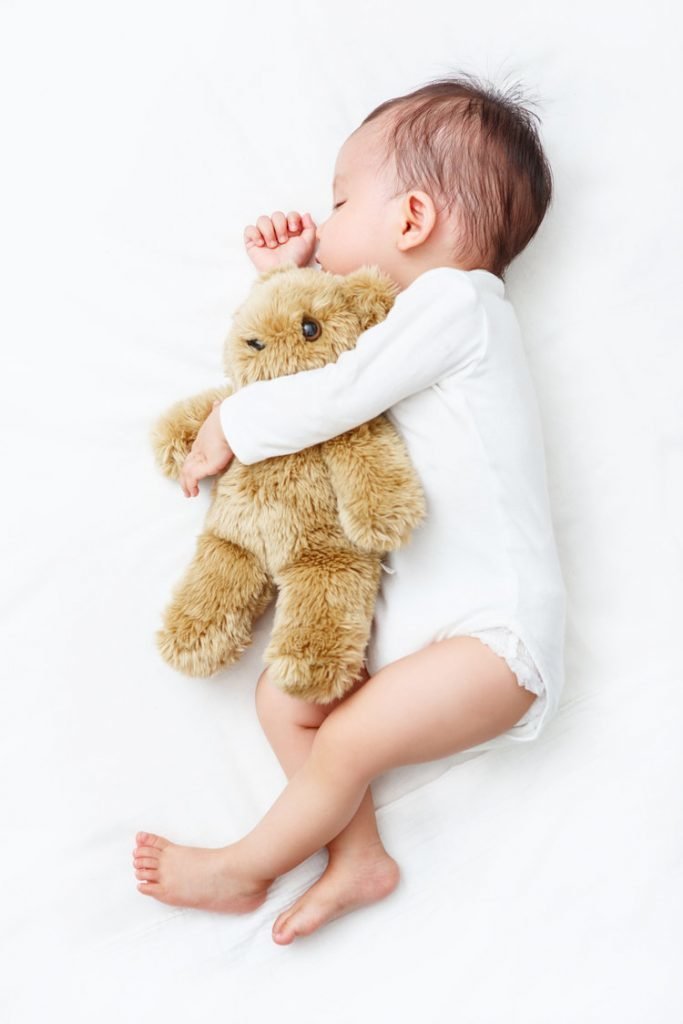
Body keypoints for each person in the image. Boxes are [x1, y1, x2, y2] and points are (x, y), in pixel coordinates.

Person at [132, 73, 567, 945]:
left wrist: (231, 421)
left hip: (497, 638)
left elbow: (335, 393)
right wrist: (284, 281)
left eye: (338, 201)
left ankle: (240, 868)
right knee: (284, 700)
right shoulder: (411, 324)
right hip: (440, 632)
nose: (323, 223)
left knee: (343, 744)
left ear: (410, 221)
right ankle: (357, 857)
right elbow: (311, 356)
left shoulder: (458, 305)